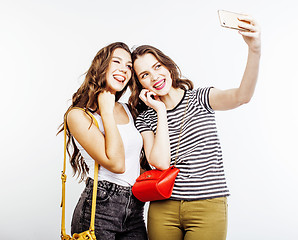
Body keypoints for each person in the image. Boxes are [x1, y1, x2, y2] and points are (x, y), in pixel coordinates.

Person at [129, 15, 261, 240]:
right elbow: (159, 162)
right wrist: (160, 111)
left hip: (207, 205)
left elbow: (242, 96)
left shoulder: (201, 98)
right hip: (163, 207)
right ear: (140, 83)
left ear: (168, 66)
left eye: (157, 66)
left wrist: (255, 50)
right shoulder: (146, 117)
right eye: (145, 75)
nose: (155, 77)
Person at [60, 42, 148, 239]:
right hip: (99, 209)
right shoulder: (78, 116)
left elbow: (135, 161)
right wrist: (106, 111)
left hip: (135, 209)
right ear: (101, 66)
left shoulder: (128, 110)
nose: (123, 69)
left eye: (129, 66)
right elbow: (116, 164)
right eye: (116, 61)